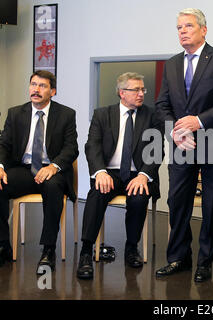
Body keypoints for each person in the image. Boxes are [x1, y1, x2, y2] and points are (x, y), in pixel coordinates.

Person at [155, 8, 213, 282]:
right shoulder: (171, 64)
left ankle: (205, 261)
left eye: (188, 26)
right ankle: (179, 257)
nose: (182, 30)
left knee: (212, 204)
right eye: (179, 27)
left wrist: (198, 121)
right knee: (177, 201)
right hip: (183, 143)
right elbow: (162, 105)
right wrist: (176, 130)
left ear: (203, 30)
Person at [0, 70, 78, 274]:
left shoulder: (66, 114)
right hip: (24, 169)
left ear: (52, 91)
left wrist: (53, 167)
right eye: (33, 84)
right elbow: (2, 144)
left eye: (42, 86)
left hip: (52, 170)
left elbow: (71, 148)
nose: (36, 89)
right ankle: (2, 246)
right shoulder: (16, 113)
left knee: (53, 187)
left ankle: (48, 249)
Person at [76, 72, 163, 280]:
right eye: (136, 90)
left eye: (143, 89)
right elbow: (92, 146)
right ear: (122, 93)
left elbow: (157, 149)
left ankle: (131, 248)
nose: (141, 93)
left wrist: (143, 175)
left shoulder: (152, 116)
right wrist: (99, 172)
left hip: (138, 173)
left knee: (139, 197)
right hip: (110, 173)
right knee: (97, 193)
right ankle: (86, 251)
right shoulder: (102, 114)